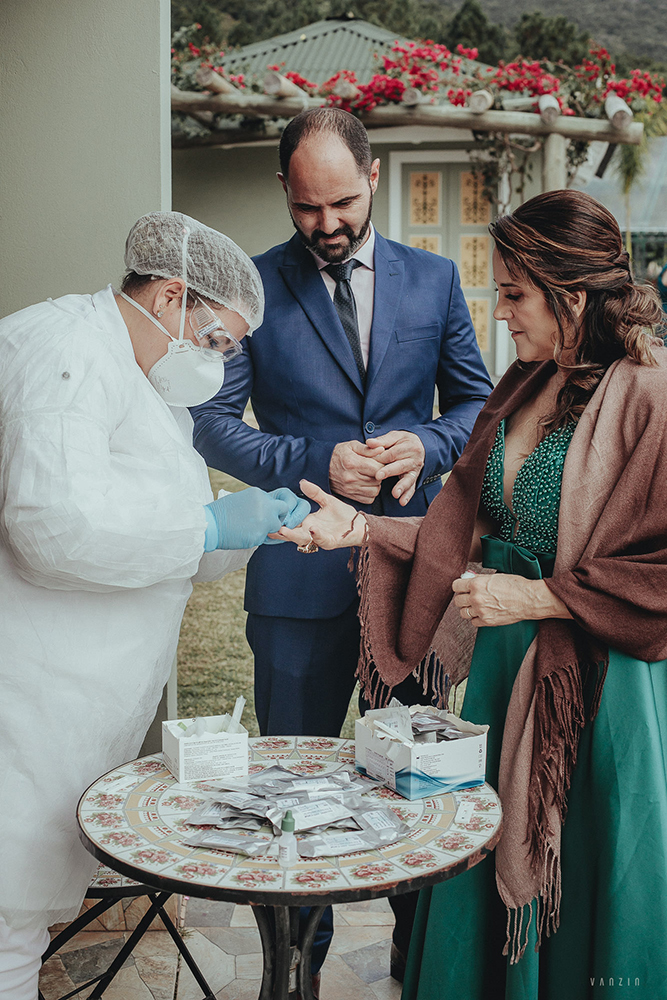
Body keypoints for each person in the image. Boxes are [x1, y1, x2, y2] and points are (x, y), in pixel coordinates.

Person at [276, 190, 667, 999]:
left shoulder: (652, 395)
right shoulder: (524, 382)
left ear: (572, 293)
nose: (499, 313)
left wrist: (542, 601)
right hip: (497, 682)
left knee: (582, 896)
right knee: (472, 893)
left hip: (599, 701)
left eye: (514, 293)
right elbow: (468, 534)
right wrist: (359, 530)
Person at [190, 106, 492, 982]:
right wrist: (315, 458)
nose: (325, 226)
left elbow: (475, 404)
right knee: (290, 786)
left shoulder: (433, 280)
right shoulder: (250, 286)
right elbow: (211, 425)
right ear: (284, 190)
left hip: (413, 573)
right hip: (295, 581)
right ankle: (296, 965)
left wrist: (426, 445)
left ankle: (416, 955)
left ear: (371, 178)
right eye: (306, 208)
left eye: (342, 205)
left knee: (414, 783)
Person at [0, 211, 309, 1000]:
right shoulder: (64, 349)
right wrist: (206, 522)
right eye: (217, 341)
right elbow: (53, 528)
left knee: (23, 917)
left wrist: (247, 531)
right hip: (27, 690)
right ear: (172, 297)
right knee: (5, 919)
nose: (219, 363)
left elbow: (157, 537)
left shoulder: (144, 379)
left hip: (80, 692)